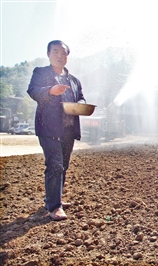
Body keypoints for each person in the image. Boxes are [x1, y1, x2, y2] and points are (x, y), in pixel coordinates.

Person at [27, 40, 86, 221]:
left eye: (63, 53)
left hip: (69, 128)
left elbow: (81, 98)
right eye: (56, 52)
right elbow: (33, 91)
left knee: (63, 165)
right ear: (48, 54)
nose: (60, 56)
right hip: (49, 127)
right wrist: (51, 90)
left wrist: (82, 105)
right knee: (55, 164)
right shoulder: (41, 73)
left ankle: (54, 198)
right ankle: (54, 207)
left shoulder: (74, 81)